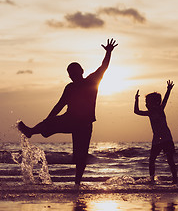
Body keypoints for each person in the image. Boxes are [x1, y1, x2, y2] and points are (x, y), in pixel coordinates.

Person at [18, 38, 118, 185]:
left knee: (80, 156)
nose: (72, 75)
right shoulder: (69, 87)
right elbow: (60, 105)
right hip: (69, 119)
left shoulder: (92, 81)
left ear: (81, 72)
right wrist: (47, 120)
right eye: (70, 73)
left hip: (84, 124)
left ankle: (77, 183)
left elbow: (103, 67)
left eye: (74, 72)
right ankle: (31, 131)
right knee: (49, 123)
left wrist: (108, 52)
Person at [134, 80, 177, 184]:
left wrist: (168, 90)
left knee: (170, 159)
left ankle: (175, 179)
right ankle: (152, 179)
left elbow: (165, 100)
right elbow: (136, 111)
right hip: (157, 140)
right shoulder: (149, 113)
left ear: (154, 103)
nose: (146, 104)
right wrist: (136, 100)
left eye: (147, 102)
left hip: (166, 138)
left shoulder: (160, 109)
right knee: (151, 160)